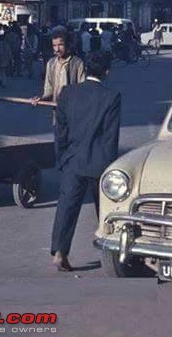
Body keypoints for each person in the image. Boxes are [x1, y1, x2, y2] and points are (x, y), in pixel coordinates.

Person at [51, 52, 120, 271]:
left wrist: (62, 157)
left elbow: (60, 130)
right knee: (107, 211)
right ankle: (111, 254)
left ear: (87, 70)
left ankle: (60, 252)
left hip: (73, 160)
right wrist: (110, 168)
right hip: (100, 163)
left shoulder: (68, 93)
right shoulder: (111, 96)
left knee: (67, 207)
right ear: (107, 72)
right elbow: (111, 138)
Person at [33, 28, 85, 105]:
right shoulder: (51, 63)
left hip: (72, 108)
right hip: (56, 107)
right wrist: (40, 99)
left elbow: (82, 89)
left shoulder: (77, 63)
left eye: (60, 45)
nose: (57, 49)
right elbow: (48, 90)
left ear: (67, 44)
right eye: (54, 45)